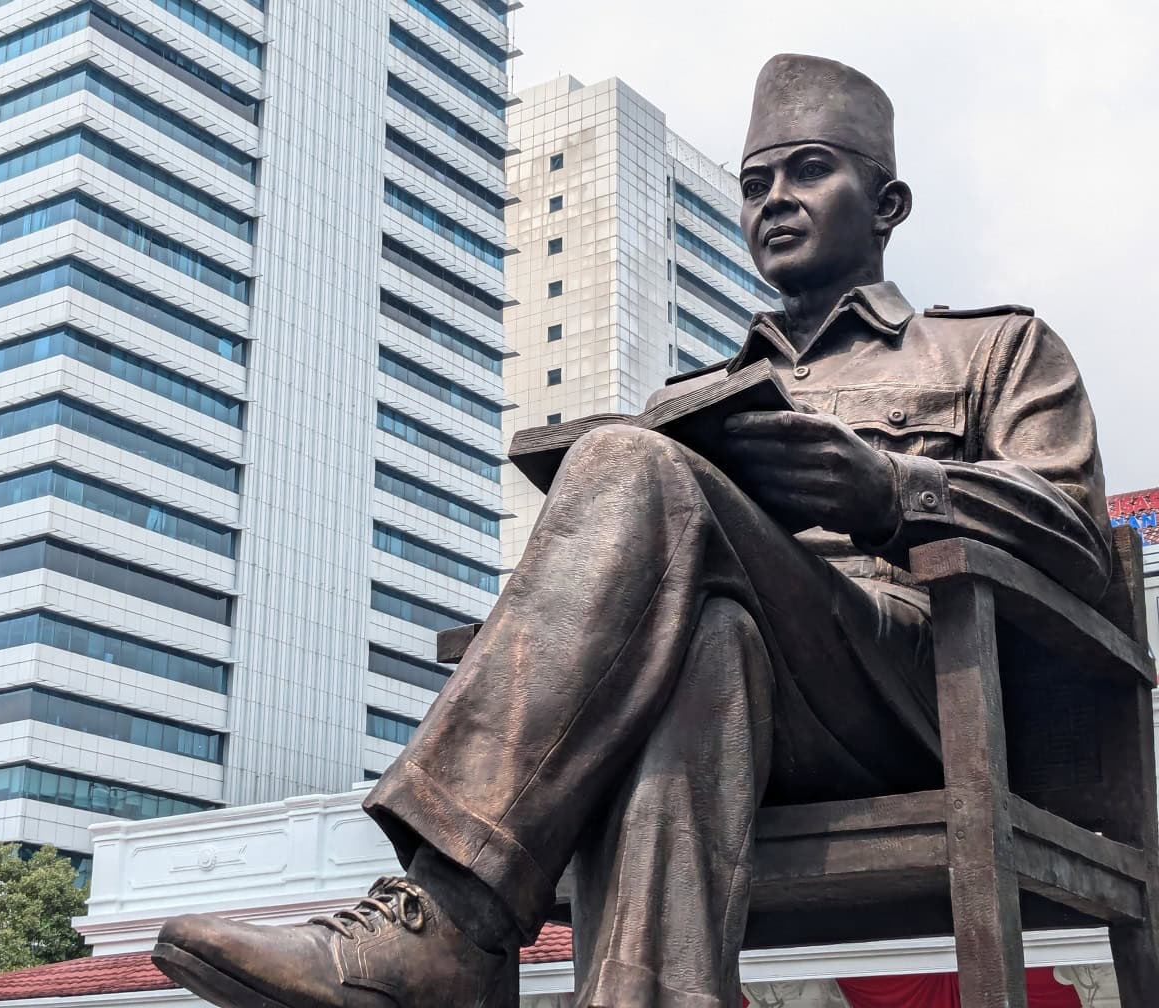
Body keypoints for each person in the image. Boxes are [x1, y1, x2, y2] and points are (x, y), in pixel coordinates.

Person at [151, 54, 1111, 1008]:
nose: (774, 199)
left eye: (809, 170)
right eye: (753, 184)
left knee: (625, 459)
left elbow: (1076, 533)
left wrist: (892, 490)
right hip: (743, 704)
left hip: (914, 694)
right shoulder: (688, 399)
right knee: (707, 634)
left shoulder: (997, 349)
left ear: (888, 203)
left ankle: (451, 916)